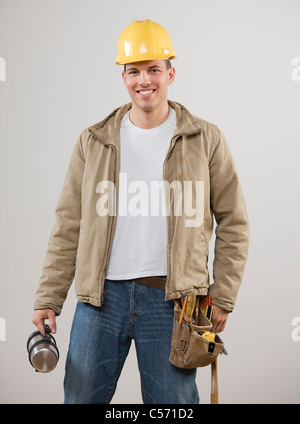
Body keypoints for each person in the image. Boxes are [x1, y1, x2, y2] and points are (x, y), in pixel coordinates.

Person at [32, 19, 249, 404]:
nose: (143, 80)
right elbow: (69, 224)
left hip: (173, 303)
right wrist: (49, 296)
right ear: (123, 76)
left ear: (171, 73)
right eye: (134, 71)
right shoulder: (94, 141)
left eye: (153, 70)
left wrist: (223, 293)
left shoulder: (205, 139)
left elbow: (234, 220)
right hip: (100, 301)